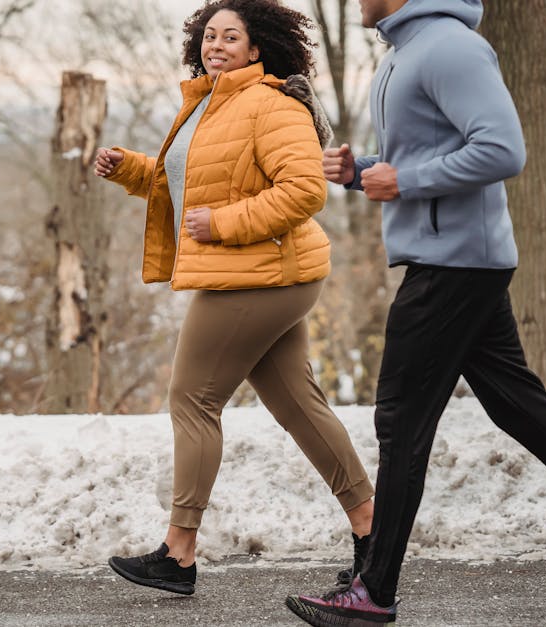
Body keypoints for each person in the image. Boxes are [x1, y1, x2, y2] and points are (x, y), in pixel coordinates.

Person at [284, 0, 546, 624]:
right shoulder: (405, 52)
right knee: (517, 407)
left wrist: (405, 181)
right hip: (450, 257)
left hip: (454, 264)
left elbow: (503, 150)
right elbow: (425, 158)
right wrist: (362, 171)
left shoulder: (451, 46)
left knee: (400, 421)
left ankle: (372, 592)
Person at [94, 0, 376, 597]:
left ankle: (178, 554)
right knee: (297, 403)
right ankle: (371, 527)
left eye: (231, 36)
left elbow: (303, 192)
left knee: (192, 398)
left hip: (261, 274)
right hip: (264, 273)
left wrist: (220, 225)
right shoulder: (207, 103)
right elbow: (188, 184)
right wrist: (129, 169)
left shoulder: (272, 104)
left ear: (257, 48)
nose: (215, 44)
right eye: (208, 34)